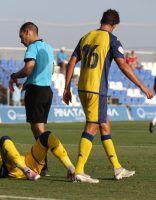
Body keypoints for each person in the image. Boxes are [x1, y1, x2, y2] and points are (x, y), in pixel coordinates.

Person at [63, 9, 154, 183]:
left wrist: (66, 87)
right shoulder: (112, 40)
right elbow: (123, 65)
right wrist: (142, 85)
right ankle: (79, 170)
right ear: (115, 25)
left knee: (105, 124)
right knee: (93, 126)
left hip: (82, 87)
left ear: (102, 21)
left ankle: (117, 168)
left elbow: (72, 60)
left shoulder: (86, 36)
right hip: (97, 89)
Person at [9, 22, 54, 176]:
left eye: (21, 36)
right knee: (39, 128)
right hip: (47, 91)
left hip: (36, 92)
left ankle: (43, 164)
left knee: (38, 130)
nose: (21, 41)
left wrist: (14, 76)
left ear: (28, 32)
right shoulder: (48, 47)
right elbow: (48, 70)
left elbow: (29, 68)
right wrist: (27, 83)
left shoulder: (32, 47)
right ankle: (43, 163)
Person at [0, 131, 75, 180]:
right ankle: (27, 171)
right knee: (5, 139)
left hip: (29, 161)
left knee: (46, 136)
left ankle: (71, 168)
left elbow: (1, 145)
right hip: (14, 168)